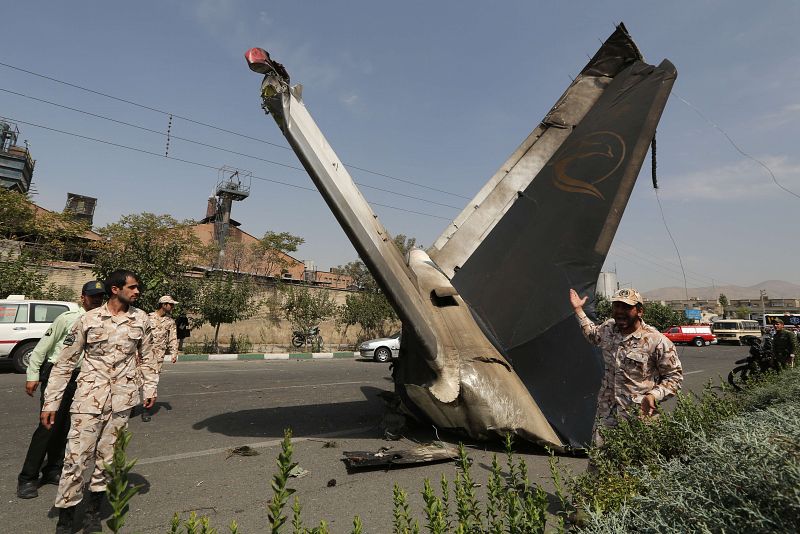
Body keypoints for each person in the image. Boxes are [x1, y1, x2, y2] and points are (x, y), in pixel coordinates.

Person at [42, 270, 158, 534]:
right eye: (133, 287)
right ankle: (66, 519)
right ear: (115, 290)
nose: (137, 291)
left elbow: (149, 357)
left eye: (138, 287)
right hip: (88, 400)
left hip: (122, 401)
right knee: (75, 459)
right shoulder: (88, 319)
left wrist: (150, 388)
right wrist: (51, 403)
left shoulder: (141, 320)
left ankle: (93, 513)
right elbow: (65, 363)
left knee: (107, 460)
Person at [16, 281, 106, 499]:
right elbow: (43, 347)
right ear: (83, 297)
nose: (96, 300)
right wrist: (32, 375)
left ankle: (52, 470)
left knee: (67, 427)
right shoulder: (67, 319)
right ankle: (27, 478)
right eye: (92, 296)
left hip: (82, 379)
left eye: (100, 296)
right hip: (57, 374)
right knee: (48, 426)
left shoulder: (103, 321)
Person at [569, 287, 683, 446]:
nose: (620, 311)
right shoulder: (609, 328)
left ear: (640, 311)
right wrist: (579, 310)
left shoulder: (657, 341)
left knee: (639, 468)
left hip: (639, 419)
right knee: (600, 467)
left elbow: (674, 378)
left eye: (627, 307)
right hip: (606, 416)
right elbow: (592, 334)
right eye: (616, 306)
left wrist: (653, 395)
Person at [139, 295, 179, 421]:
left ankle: (146, 410)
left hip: (158, 356)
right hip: (143, 354)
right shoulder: (148, 317)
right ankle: (130, 405)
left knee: (152, 382)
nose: (172, 307)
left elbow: (173, 337)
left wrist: (174, 353)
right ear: (163, 304)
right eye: (170, 304)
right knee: (136, 380)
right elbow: (138, 334)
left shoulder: (170, 321)